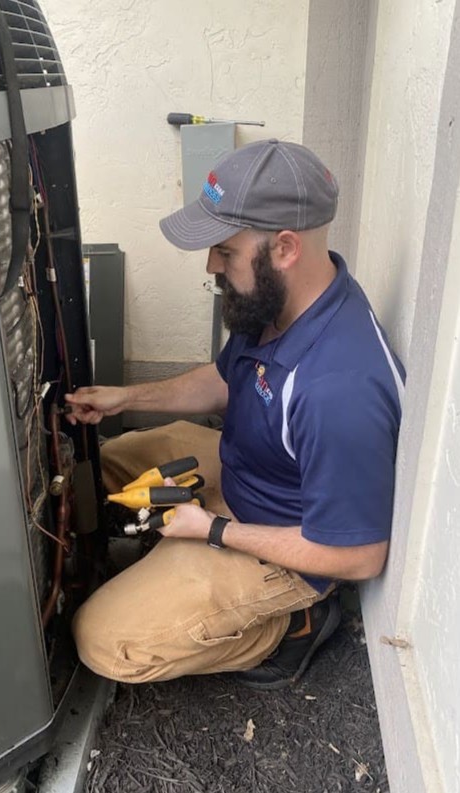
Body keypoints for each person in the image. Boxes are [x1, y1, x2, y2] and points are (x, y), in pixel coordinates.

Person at [65, 139, 405, 689]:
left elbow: (360, 555)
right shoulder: (275, 302)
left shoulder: (339, 390)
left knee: (104, 640)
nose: (210, 265)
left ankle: (293, 625)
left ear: (285, 248)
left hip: (286, 544)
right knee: (105, 463)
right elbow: (224, 380)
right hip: (242, 466)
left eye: (224, 251)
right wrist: (126, 399)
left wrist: (216, 530)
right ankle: (177, 553)